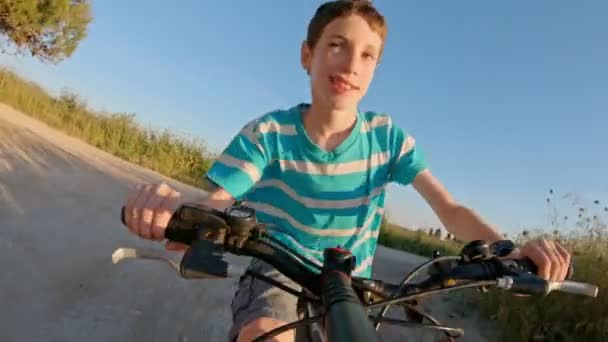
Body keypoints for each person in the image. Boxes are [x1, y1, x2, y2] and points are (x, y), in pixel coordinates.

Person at [121, 1, 572, 341]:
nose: (351, 64)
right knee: (265, 331)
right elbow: (216, 201)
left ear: (375, 68)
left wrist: (506, 253)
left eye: (368, 55)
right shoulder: (270, 132)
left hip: (354, 284)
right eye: (336, 45)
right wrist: (174, 214)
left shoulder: (387, 138)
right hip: (279, 271)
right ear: (307, 55)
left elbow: (449, 209)